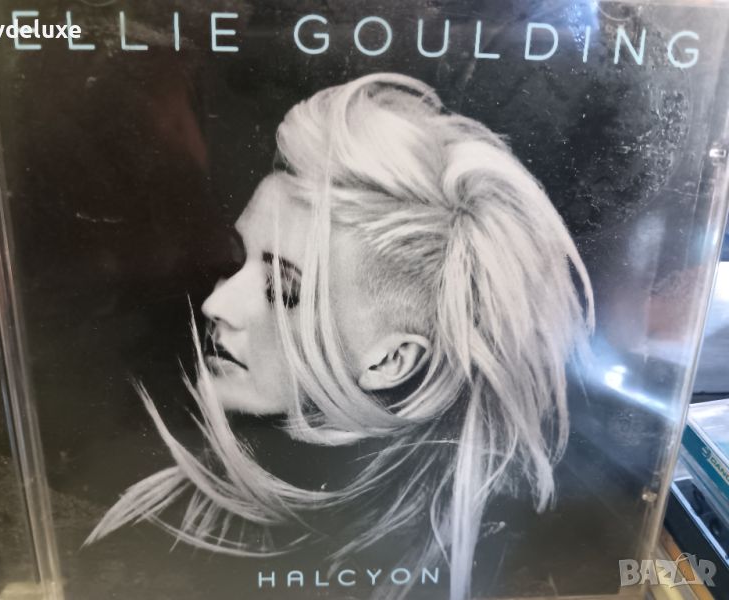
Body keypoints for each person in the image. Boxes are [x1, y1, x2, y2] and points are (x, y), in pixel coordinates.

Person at [86, 72, 594, 599]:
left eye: (284, 290)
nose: (217, 304)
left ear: (391, 360)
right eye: (238, 260)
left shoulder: (509, 566)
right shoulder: (161, 521)